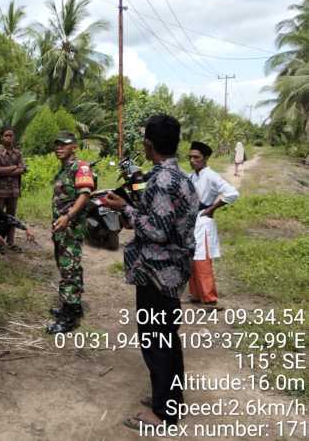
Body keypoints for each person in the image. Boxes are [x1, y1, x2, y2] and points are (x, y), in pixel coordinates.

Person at [103, 115, 198, 430]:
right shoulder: (181, 177)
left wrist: (124, 209)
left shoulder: (160, 180)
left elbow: (156, 231)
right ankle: (170, 399)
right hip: (173, 272)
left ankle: (163, 414)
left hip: (158, 274)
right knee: (167, 338)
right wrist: (135, 208)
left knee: (155, 340)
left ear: (148, 144)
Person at [47, 131, 95, 334]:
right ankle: (72, 307)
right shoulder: (63, 169)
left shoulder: (80, 167)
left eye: (64, 144)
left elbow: (84, 194)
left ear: (74, 146)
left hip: (71, 228)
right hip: (61, 228)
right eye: (57, 144)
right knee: (67, 267)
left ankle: (69, 319)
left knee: (69, 269)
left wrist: (68, 217)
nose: (59, 148)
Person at [187, 141, 239, 308]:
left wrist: (211, 208)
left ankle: (210, 299)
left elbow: (232, 193)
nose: (193, 160)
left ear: (206, 158)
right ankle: (195, 294)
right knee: (192, 259)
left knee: (202, 261)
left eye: (196, 157)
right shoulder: (192, 176)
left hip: (203, 221)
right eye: (190, 157)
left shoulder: (211, 175)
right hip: (191, 220)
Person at [0, 127, 27, 251]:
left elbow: (23, 169)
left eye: (11, 135)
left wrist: (7, 170)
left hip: (14, 190)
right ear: (1, 137)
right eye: (6, 135)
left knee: (12, 216)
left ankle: (11, 241)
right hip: (0, 191)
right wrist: (14, 168)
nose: (9, 138)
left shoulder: (18, 153)